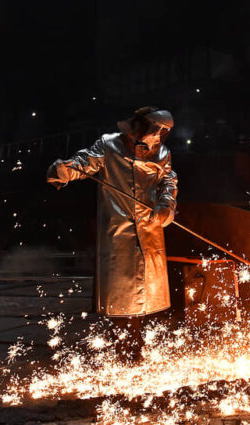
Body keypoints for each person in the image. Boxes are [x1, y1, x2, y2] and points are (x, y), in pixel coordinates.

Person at [46, 106, 178, 360]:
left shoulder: (162, 153)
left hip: (149, 229)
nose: (157, 138)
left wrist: (166, 205)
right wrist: (64, 171)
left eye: (162, 133)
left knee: (147, 295)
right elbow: (85, 163)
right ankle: (123, 349)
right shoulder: (109, 145)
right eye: (155, 131)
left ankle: (138, 347)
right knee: (122, 296)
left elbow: (168, 181)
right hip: (119, 232)